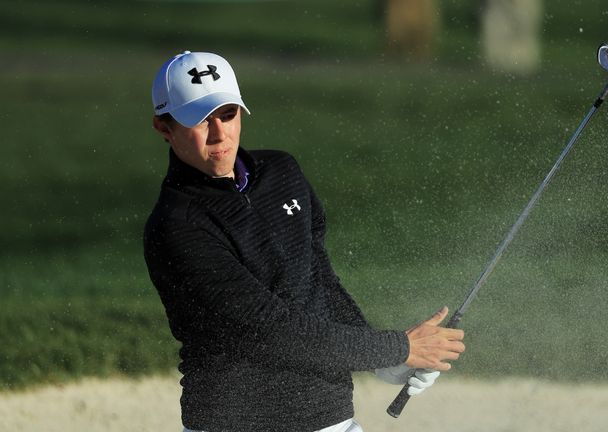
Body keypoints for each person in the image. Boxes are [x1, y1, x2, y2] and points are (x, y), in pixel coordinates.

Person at [143, 51, 466, 432]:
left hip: (329, 418)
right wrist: (397, 347)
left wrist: (386, 361)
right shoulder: (177, 225)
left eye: (227, 115)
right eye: (200, 120)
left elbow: (319, 282)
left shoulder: (282, 172)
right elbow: (271, 329)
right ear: (164, 127)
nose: (219, 133)